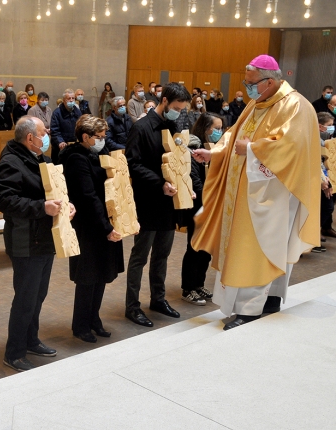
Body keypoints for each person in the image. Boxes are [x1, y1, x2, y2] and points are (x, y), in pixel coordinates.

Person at [191, 55, 320, 330]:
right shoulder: (257, 102)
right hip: (246, 190)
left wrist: (251, 150)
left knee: (262, 246)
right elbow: (234, 136)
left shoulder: (296, 105)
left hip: (274, 194)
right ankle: (269, 298)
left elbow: (292, 148)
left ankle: (250, 309)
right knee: (253, 245)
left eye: (250, 83)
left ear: (269, 82)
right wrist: (214, 152)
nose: (247, 88)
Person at [0, 116, 75, 372]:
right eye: (44, 132)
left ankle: (31, 340)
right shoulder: (10, 162)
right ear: (30, 138)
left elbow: (55, 194)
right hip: (25, 239)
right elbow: (6, 201)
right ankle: (14, 353)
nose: (47, 135)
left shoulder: (44, 160)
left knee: (39, 294)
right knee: (26, 298)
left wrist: (66, 205)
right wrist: (42, 207)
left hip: (45, 237)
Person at [124, 82, 191, 328]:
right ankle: (132, 306)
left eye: (182, 109)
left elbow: (179, 161)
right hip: (148, 200)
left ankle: (158, 299)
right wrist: (159, 183)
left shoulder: (173, 126)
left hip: (169, 203)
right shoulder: (141, 127)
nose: (178, 112)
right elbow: (133, 164)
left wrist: (186, 186)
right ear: (164, 101)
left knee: (162, 254)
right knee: (140, 256)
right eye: (175, 107)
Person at [59, 115, 123, 343]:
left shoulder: (96, 154)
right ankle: (81, 324)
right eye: (99, 137)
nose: (103, 141)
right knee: (88, 277)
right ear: (85, 137)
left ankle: (94, 319)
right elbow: (88, 196)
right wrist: (106, 227)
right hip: (88, 226)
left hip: (102, 222)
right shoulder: (76, 158)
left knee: (102, 275)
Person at [180, 112, 224, 306]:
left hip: (212, 204)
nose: (220, 132)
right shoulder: (193, 147)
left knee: (207, 248)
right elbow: (196, 182)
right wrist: (208, 198)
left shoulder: (214, 148)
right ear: (206, 129)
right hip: (198, 205)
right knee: (195, 247)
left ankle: (199, 284)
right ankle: (188, 288)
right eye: (217, 128)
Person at [50, 89, 82, 164]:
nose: (71, 100)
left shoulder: (78, 112)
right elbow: (55, 131)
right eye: (69, 98)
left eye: (73, 98)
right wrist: (60, 142)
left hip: (73, 146)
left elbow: (81, 127)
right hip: (60, 147)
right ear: (64, 100)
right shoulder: (57, 113)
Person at [317, 111, 336, 241]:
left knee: (329, 204)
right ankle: (314, 232)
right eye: (329, 125)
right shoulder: (314, 139)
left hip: (326, 176)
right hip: (319, 178)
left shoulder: (323, 139)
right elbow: (317, 161)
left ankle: (324, 228)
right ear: (320, 126)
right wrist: (323, 179)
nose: (331, 127)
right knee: (327, 205)